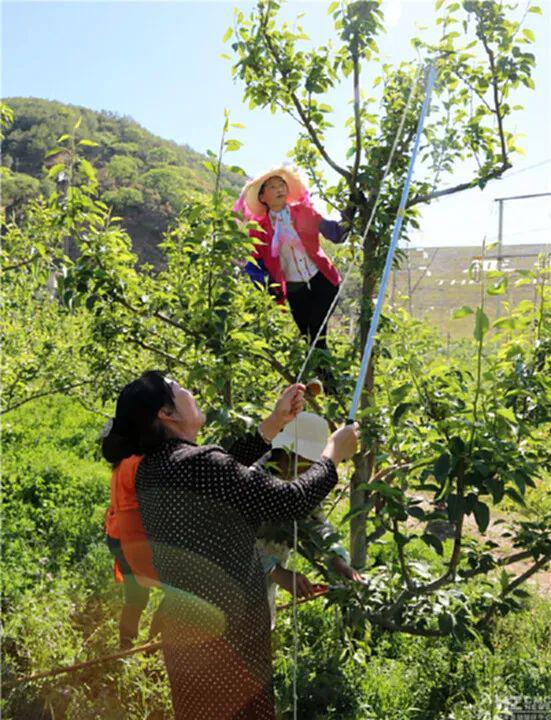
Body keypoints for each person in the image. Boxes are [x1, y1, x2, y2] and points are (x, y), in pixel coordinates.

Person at [101, 370, 358, 720]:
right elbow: (290, 499)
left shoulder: (156, 467)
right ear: (167, 413)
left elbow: (226, 469)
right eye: (177, 388)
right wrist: (332, 455)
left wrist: (276, 421)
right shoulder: (197, 465)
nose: (188, 389)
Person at [235, 167, 355, 363]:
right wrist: (268, 287)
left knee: (316, 329)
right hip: (294, 288)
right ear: (263, 197)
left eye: (282, 184)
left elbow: (336, 234)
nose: (279, 189)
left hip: (323, 279)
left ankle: (328, 383)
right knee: (309, 338)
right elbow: (254, 266)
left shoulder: (304, 212)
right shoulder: (259, 230)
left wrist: (352, 209)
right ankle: (324, 383)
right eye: (272, 187)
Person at [256, 412, 363, 628]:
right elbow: (230, 536)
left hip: (259, 593)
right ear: (286, 454)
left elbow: (316, 523)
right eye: (308, 463)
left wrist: (335, 557)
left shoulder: (300, 489)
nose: (312, 472)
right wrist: (275, 571)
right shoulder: (254, 481)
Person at [104, 453, 161, 649]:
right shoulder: (141, 461)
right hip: (133, 538)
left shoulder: (125, 458)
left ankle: (126, 646)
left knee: (136, 594)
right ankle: (151, 647)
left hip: (118, 534)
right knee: (177, 590)